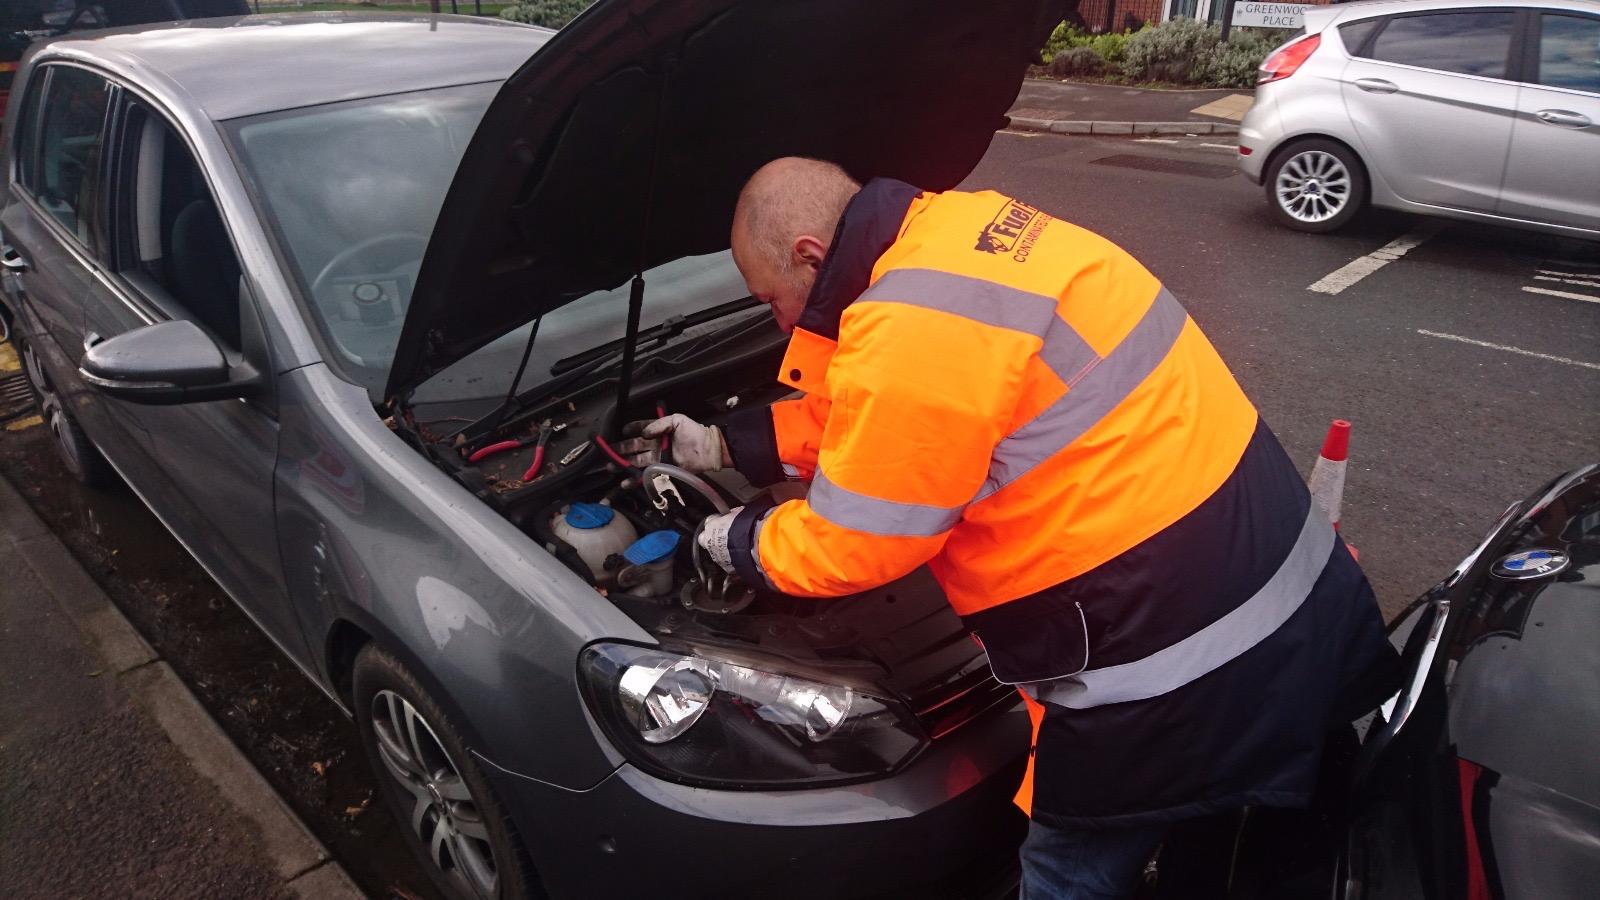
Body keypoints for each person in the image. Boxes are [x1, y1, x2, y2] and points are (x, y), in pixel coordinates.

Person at [617, 157, 1397, 899]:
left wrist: (735, 541)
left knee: (1070, 870)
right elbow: (905, 418)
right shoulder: (969, 235)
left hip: (1165, 667)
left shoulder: (910, 325)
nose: (777, 318)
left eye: (769, 298)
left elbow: (859, 541)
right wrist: (729, 443)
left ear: (810, 254)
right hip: (1282, 586)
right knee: (1233, 844)